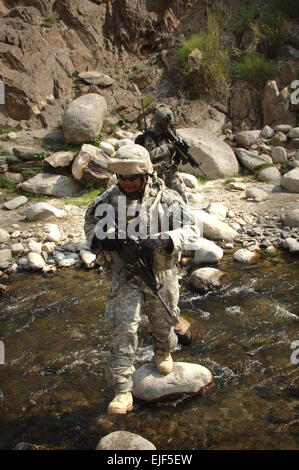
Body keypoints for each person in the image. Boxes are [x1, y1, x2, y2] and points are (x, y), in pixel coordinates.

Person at [84, 143, 199, 415]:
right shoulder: (109, 199)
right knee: (123, 328)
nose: (126, 182)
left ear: (145, 175)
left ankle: (163, 351)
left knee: (163, 321)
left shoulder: (167, 198)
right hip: (125, 275)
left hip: (161, 273)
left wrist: (164, 239)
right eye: (121, 177)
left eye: (132, 177)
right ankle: (123, 390)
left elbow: (192, 229)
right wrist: (102, 238)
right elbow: (89, 221)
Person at [139, 103, 189, 204]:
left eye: (168, 123)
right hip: (157, 173)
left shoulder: (173, 133)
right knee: (157, 200)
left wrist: (183, 151)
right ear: (158, 122)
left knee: (181, 196)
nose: (166, 126)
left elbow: (181, 156)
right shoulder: (151, 135)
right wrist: (169, 148)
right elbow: (150, 154)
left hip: (171, 171)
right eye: (164, 124)